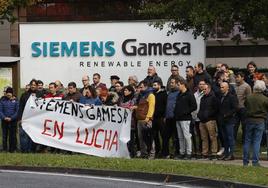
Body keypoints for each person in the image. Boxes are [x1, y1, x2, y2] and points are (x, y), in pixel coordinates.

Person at [243, 80, 268, 166]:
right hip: (260, 121)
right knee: (257, 142)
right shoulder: (265, 99)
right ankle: (255, 162)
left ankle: (245, 161)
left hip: (249, 120)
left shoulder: (249, 97)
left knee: (247, 141)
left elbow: (245, 105)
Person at [174, 79, 197, 159]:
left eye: (178, 84)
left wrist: (185, 112)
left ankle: (189, 152)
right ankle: (182, 152)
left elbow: (194, 106)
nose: (177, 86)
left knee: (187, 136)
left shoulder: (189, 94)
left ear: (183, 84)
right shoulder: (179, 94)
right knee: (180, 137)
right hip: (178, 118)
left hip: (186, 118)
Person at [197, 83, 219, 160]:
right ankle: (205, 153)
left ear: (209, 89)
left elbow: (216, 109)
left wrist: (209, 115)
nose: (204, 90)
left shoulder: (213, 98)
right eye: (203, 89)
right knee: (204, 138)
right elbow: (201, 108)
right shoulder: (202, 98)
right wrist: (199, 115)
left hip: (210, 120)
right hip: (202, 120)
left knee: (212, 137)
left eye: (205, 89)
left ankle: (214, 153)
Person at [18, 79, 39, 152]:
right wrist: (20, 118)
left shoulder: (40, 95)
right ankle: (24, 150)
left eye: (34, 85)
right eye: (32, 85)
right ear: (30, 85)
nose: (33, 86)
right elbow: (20, 107)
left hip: (35, 119)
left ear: (36, 86)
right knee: (24, 135)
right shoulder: (24, 95)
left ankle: (32, 150)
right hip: (25, 118)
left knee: (33, 135)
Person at [135, 80, 155, 158]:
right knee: (141, 138)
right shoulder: (141, 95)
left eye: (141, 87)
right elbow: (140, 107)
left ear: (146, 87)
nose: (140, 89)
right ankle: (144, 154)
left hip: (146, 120)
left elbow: (151, 107)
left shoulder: (151, 95)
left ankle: (151, 154)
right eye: (139, 87)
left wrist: (148, 118)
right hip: (139, 119)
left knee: (149, 138)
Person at [219, 82, 238, 160]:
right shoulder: (221, 96)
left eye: (223, 87)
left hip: (229, 121)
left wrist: (227, 114)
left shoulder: (231, 97)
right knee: (225, 138)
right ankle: (226, 153)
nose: (221, 89)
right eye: (220, 87)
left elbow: (235, 108)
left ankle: (231, 154)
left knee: (230, 137)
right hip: (222, 120)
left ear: (227, 88)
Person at [163, 78, 180, 158]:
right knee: (165, 136)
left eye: (173, 83)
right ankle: (166, 153)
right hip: (168, 118)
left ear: (177, 84)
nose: (171, 84)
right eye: (170, 83)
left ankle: (177, 152)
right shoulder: (169, 93)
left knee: (176, 137)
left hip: (175, 118)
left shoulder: (179, 93)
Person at [118, 85, 136, 157]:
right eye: (124, 90)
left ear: (130, 92)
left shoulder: (133, 100)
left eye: (126, 90)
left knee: (130, 138)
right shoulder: (122, 99)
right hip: (122, 123)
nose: (124, 92)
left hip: (130, 123)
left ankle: (131, 153)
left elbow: (133, 108)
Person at [234, 72, 252, 143]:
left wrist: (246, 108)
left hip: (243, 109)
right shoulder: (235, 86)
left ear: (242, 78)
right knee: (235, 125)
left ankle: (245, 140)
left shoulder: (247, 86)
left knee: (244, 126)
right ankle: (233, 141)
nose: (236, 78)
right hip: (236, 109)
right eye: (236, 77)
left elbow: (249, 98)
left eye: (238, 77)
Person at [0, 87, 19, 152]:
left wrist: (11, 118)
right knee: (4, 135)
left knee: (12, 135)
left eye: (10, 93)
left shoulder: (16, 101)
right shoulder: (2, 100)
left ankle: (12, 149)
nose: (8, 94)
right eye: (7, 93)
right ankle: (4, 149)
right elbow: (0, 111)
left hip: (13, 121)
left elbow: (17, 111)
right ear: (6, 93)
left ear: (12, 93)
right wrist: (4, 117)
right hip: (4, 121)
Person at [152, 80, 167, 157]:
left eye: (155, 85)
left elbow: (166, 106)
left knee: (163, 135)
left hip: (161, 118)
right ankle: (158, 151)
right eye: (153, 85)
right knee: (155, 136)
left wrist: (164, 116)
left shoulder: (164, 94)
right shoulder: (153, 94)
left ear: (159, 85)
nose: (153, 87)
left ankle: (164, 152)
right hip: (154, 118)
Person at [191, 80, 206, 158]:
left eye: (203, 84)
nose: (201, 86)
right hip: (195, 118)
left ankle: (203, 151)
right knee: (197, 135)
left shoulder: (205, 94)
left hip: (203, 118)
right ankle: (197, 150)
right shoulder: (194, 95)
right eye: (200, 84)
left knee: (203, 136)